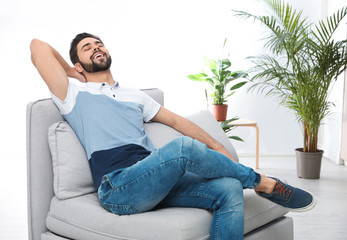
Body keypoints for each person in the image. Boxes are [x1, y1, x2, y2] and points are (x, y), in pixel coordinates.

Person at [30, 33, 316, 240]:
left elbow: (178, 121)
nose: (96, 48)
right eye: (86, 47)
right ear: (78, 64)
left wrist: (215, 144)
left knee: (228, 188)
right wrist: (71, 73)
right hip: (119, 187)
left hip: (154, 181)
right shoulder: (72, 94)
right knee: (180, 149)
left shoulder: (136, 96)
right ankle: (263, 182)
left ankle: (250, 181)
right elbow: (37, 46)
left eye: (98, 43)